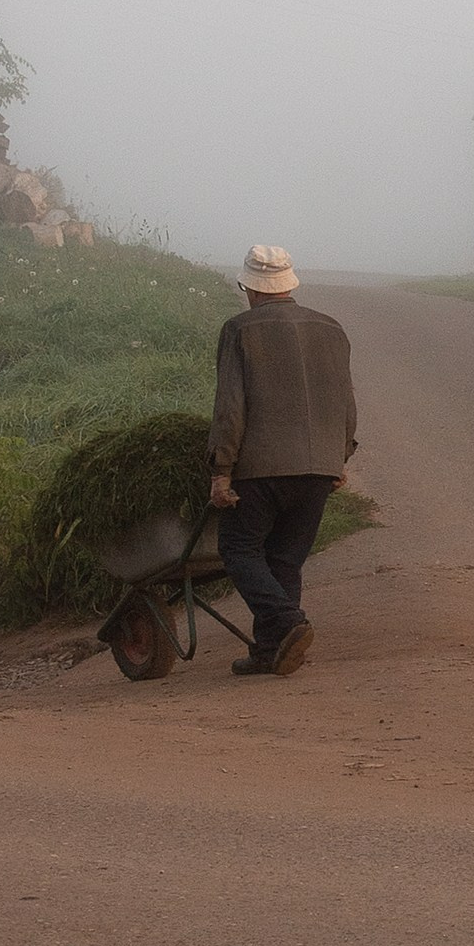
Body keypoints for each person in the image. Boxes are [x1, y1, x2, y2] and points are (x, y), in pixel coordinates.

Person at [207, 244, 356, 677]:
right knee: (285, 559)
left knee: (237, 548)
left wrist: (221, 471)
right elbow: (345, 400)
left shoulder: (240, 329)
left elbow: (230, 406)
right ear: (288, 285)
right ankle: (272, 650)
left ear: (249, 288)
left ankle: (286, 621)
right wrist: (340, 457)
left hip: (261, 467)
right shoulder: (331, 328)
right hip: (319, 467)